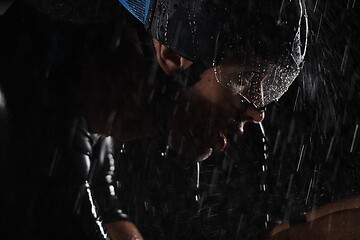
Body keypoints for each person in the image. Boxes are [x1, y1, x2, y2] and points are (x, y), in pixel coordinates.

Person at [0, 0, 309, 239]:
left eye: (268, 89)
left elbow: (102, 213)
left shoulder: (77, 94)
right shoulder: (26, 101)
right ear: (173, 53)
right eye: (246, 80)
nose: (258, 113)